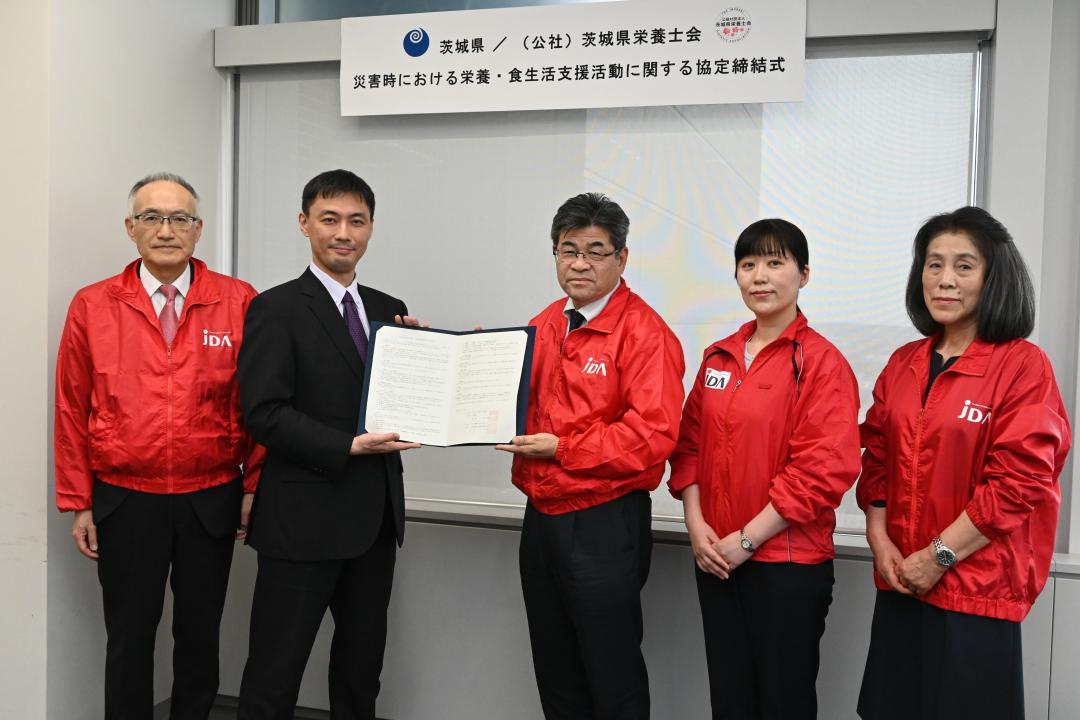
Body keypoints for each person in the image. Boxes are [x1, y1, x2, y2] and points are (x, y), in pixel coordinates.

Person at [54, 172, 265, 719]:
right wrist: (79, 501)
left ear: (198, 229)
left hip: (210, 494)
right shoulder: (93, 304)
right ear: (131, 228)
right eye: (151, 217)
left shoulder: (238, 301)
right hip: (125, 497)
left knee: (200, 635)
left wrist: (253, 486)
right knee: (128, 637)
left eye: (179, 219)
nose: (165, 230)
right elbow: (71, 406)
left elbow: (258, 403)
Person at [856, 207, 1071, 719]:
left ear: (994, 278)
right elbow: (877, 458)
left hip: (976, 592)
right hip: (902, 583)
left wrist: (937, 558)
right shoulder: (904, 363)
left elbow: (1019, 484)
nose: (945, 279)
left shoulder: (1023, 366)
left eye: (964, 266)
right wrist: (880, 541)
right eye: (934, 264)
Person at [236, 169, 422, 720]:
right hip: (301, 523)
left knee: (360, 676)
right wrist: (347, 446)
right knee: (274, 675)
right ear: (304, 224)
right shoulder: (275, 308)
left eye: (357, 221)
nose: (344, 233)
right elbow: (263, 414)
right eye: (330, 219)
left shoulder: (389, 308)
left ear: (371, 228)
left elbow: (397, 404)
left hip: (374, 525)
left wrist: (429, 366)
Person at [496, 192, 685, 720]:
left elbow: (653, 436)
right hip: (542, 516)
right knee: (555, 668)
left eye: (595, 251)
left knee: (611, 672)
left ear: (622, 258)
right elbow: (506, 395)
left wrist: (563, 448)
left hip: (603, 519)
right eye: (568, 250)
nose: (580, 263)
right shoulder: (546, 322)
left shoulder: (646, 333)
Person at [667, 218, 861, 719]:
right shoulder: (719, 357)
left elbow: (821, 470)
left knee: (782, 703)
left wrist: (747, 540)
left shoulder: (822, 363)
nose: (759, 276)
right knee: (730, 701)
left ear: (804, 274)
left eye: (775, 263)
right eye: (748, 264)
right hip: (717, 559)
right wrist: (697, 527)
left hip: (786, 566)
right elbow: (688, 446)